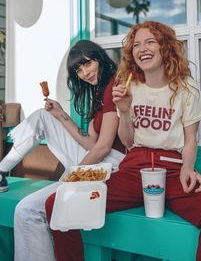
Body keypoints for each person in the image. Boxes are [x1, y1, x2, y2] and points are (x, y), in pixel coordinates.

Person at [45, 21, 201, 261]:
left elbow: (190, 139)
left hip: (174, 169)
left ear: (165, 47)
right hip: (134, 169)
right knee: (57, 204)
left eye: (150, 42)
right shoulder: (128, 85)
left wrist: (188, 167)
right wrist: (124, 111)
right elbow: (127, 141)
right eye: (136, 45)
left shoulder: (187, 88)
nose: (142, 48)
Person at [0, 39, 126, 261]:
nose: (85, 73)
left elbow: (103, 147)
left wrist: (72, 176)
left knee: (27, 210)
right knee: (43, 114)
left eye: (88, 64)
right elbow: (90, 144)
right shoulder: (98, 91)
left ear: (100, 59)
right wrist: (60, 114)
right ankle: (1, 170)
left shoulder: (112, 86)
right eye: (78, 69)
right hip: (98, 159)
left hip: (111, 166)